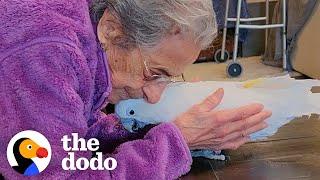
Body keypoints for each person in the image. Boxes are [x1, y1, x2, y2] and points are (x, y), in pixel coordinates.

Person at [0, 0, 271, 179]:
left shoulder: (83, 35)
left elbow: (73, 133)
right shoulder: (44, 53)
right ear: (111, 30)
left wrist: (148, 126)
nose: (155, 95)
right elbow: (55, 174)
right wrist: (176, 144)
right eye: (153, 73)